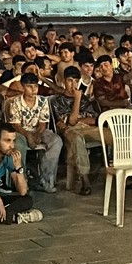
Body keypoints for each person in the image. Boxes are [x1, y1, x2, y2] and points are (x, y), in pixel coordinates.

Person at [4, 73, 62, 194]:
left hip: (38, 130)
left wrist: (37, 135)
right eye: (29, 86)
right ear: (23, 87)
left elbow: (43, 123)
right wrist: (28, 136)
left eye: (35, 86)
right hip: (21, 131)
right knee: (19, 145)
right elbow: (16, 125)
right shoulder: (15, 102)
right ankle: (22, 179)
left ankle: (45, 179)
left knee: (56, 141)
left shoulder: (42, 101)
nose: (33, 89)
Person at [50, 67, 101, 195]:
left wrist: (78, 119)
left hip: (88, 129)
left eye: (76, 81)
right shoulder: (58, 101)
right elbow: (71, 122)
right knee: (77, 139)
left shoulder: (84, 99)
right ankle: (85, 179)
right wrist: (77, 100)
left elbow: (94, 119)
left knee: (114, 134)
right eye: (70, 81)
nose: (73, 84)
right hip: (70, 131)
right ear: (63, 81)